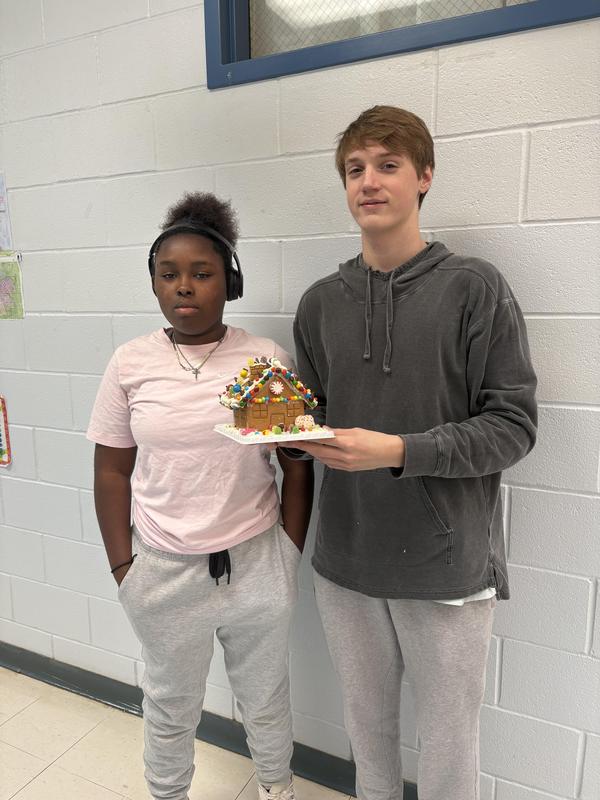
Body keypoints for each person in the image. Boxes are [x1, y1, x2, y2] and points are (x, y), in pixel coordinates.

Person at [285, 106, 537, 800]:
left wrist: (399, 450)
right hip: (346, 563)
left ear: (424, 177)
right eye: (355, 169)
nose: (369, 181)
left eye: (387, 165)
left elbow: (513, 426)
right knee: (366, 730)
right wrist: (291, 435)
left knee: (451, 744)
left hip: (446, 567)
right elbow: (317, 420)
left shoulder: (473, 289)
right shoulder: (318, 304)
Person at [87, 192, 313, 800]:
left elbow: (294, 466)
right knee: (169, 705)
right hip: (162, 572)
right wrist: (124, 567)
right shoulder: (131, 363)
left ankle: (276, 789)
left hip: (257, 564)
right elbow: (111, 471)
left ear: (228, 281)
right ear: (155, 284)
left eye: (201, 273)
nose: (184, 286)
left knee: (265, 700)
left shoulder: (262, 361)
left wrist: (289, 552)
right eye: (169, 275)